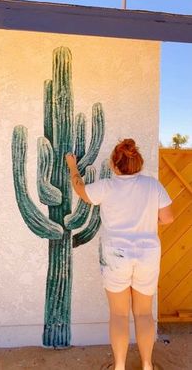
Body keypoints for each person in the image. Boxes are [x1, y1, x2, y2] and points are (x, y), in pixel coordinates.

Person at [65, 139, 173, 370]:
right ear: (139, 164)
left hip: (116, 255)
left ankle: (120, 366)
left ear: (114, 165)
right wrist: (144, 222)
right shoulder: (153, 186)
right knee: (144, 313)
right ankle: (146, 365)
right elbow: (168, 218)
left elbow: (81, 191)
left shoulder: (106, 186)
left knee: (119, 314)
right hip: (147, 254)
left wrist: (72, 166)